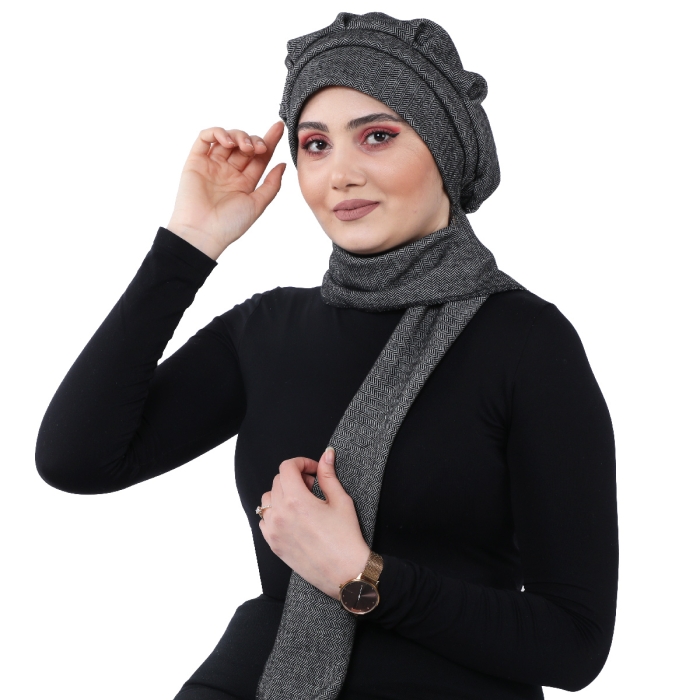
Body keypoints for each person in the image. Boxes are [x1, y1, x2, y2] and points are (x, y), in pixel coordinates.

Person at [35, 11, 618, 700]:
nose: (340, 174)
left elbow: (574, 645)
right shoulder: (266, 329)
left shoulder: (525, 341)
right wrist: (190, 241)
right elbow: (76, 459)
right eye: (315, 145)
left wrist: (361, 575)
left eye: (377, 136)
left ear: (444, 147)